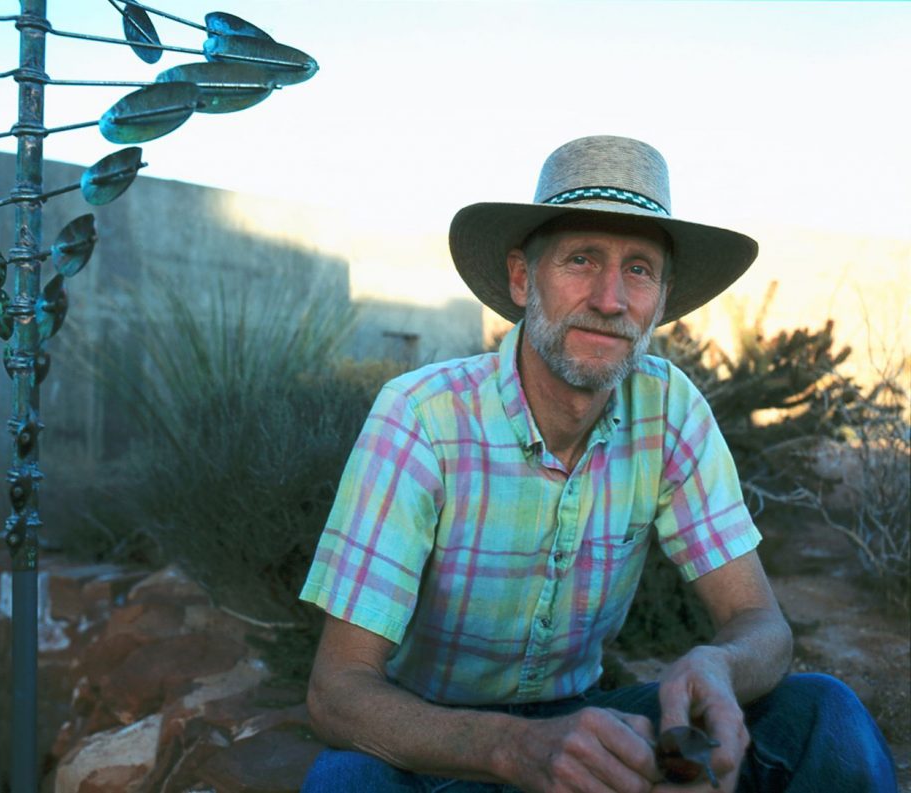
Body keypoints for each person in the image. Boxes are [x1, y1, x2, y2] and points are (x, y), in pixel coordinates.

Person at [298, 136, 897, 792]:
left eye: (638, 268)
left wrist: (721, 665)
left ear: (661, 301)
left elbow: (762, 623)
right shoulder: (422, 417)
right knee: (347, 778)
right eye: (581, 259)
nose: (610, 299)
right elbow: (337, 690)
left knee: (822, 713)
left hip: (584, 724)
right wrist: (513, 746)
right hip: (436, 740)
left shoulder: (669, 409)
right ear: (524, 278)